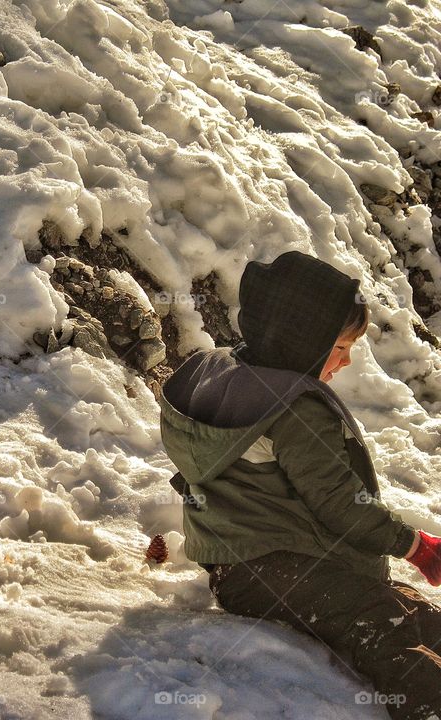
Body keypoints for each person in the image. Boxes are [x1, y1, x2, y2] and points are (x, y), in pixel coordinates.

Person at [159, 251, 441, 719]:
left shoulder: (220, 373)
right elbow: (338, 503)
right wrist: (415, 548)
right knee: (378, 623)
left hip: (251, 564)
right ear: (302, 340)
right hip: (269, 568)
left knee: (415, 614)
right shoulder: (293, 408)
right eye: (341, 347)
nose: (348, 362)